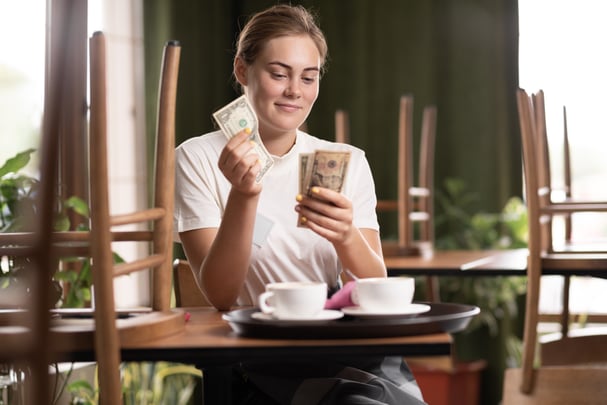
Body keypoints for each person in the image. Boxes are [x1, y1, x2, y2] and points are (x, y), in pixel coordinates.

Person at [174, 4, 426, 404]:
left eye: (309, 77)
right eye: (279, 74)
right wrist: (244, 195)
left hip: (345, 345)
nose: (295, 90)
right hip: (258, 355)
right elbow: (221, 294)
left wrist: (346, 236)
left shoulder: (347, 161)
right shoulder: (198, 158)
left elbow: (377, 285)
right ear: (243, 71)